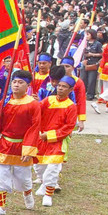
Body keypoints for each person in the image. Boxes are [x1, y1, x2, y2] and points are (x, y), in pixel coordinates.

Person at [0, 70, 40, 215]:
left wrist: (29, 149)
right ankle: (1, 207)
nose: (16, 85)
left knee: (23, 178)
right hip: (4, 145)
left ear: (27, 86)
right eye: (14, 82)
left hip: (22, 146)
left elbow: (34, 127)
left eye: (20, 82)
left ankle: (27, 192)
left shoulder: (33, 104)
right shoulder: (4, 102)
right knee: (1, 177)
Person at [34, 75, 78, 207]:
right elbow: (37, 112)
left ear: (70, 90)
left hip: (57, 140)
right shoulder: (48, 100)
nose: (60, 88)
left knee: (52, 168)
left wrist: (50, 135)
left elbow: (69, 127)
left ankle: (48, 194)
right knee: (39, 166)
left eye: (64, 87)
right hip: (41, 138)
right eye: (59, 86)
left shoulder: (71, 106)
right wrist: (34, 103)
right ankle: (43, 183)